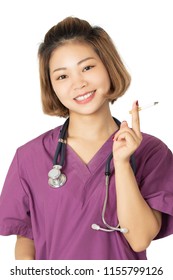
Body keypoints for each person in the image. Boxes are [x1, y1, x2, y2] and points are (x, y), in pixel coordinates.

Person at [0, 16, 173, 260]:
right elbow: (26, 238)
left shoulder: (151, 152)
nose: (78, 83)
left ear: (108, 67)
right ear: (51, 86)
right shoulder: (28, 157)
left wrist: (122, 163)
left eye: (87, 67)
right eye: (62, 76)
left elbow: (140, 238)